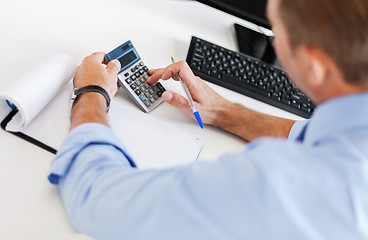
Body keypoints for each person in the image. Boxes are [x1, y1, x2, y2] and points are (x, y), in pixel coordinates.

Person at [49, 0, 368, 239]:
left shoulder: (275, 186)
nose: (275, 43)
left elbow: (98, 200)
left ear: (314, 65)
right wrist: (225, 112)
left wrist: (91, 94)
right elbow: (311, 133)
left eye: (278, 33)